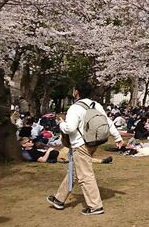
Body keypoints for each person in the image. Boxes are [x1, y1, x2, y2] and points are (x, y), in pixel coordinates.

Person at [46, 82, 124, 215]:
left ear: (76, 92)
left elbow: (70, 128)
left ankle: (95, 206)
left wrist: (61, 124)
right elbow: (107, 122)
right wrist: (117, 137)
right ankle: (59, 199)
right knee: (76, 170)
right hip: (94, 142)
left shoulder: (74, 108)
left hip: (80, 144)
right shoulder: (96, 105)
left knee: (85, 175)